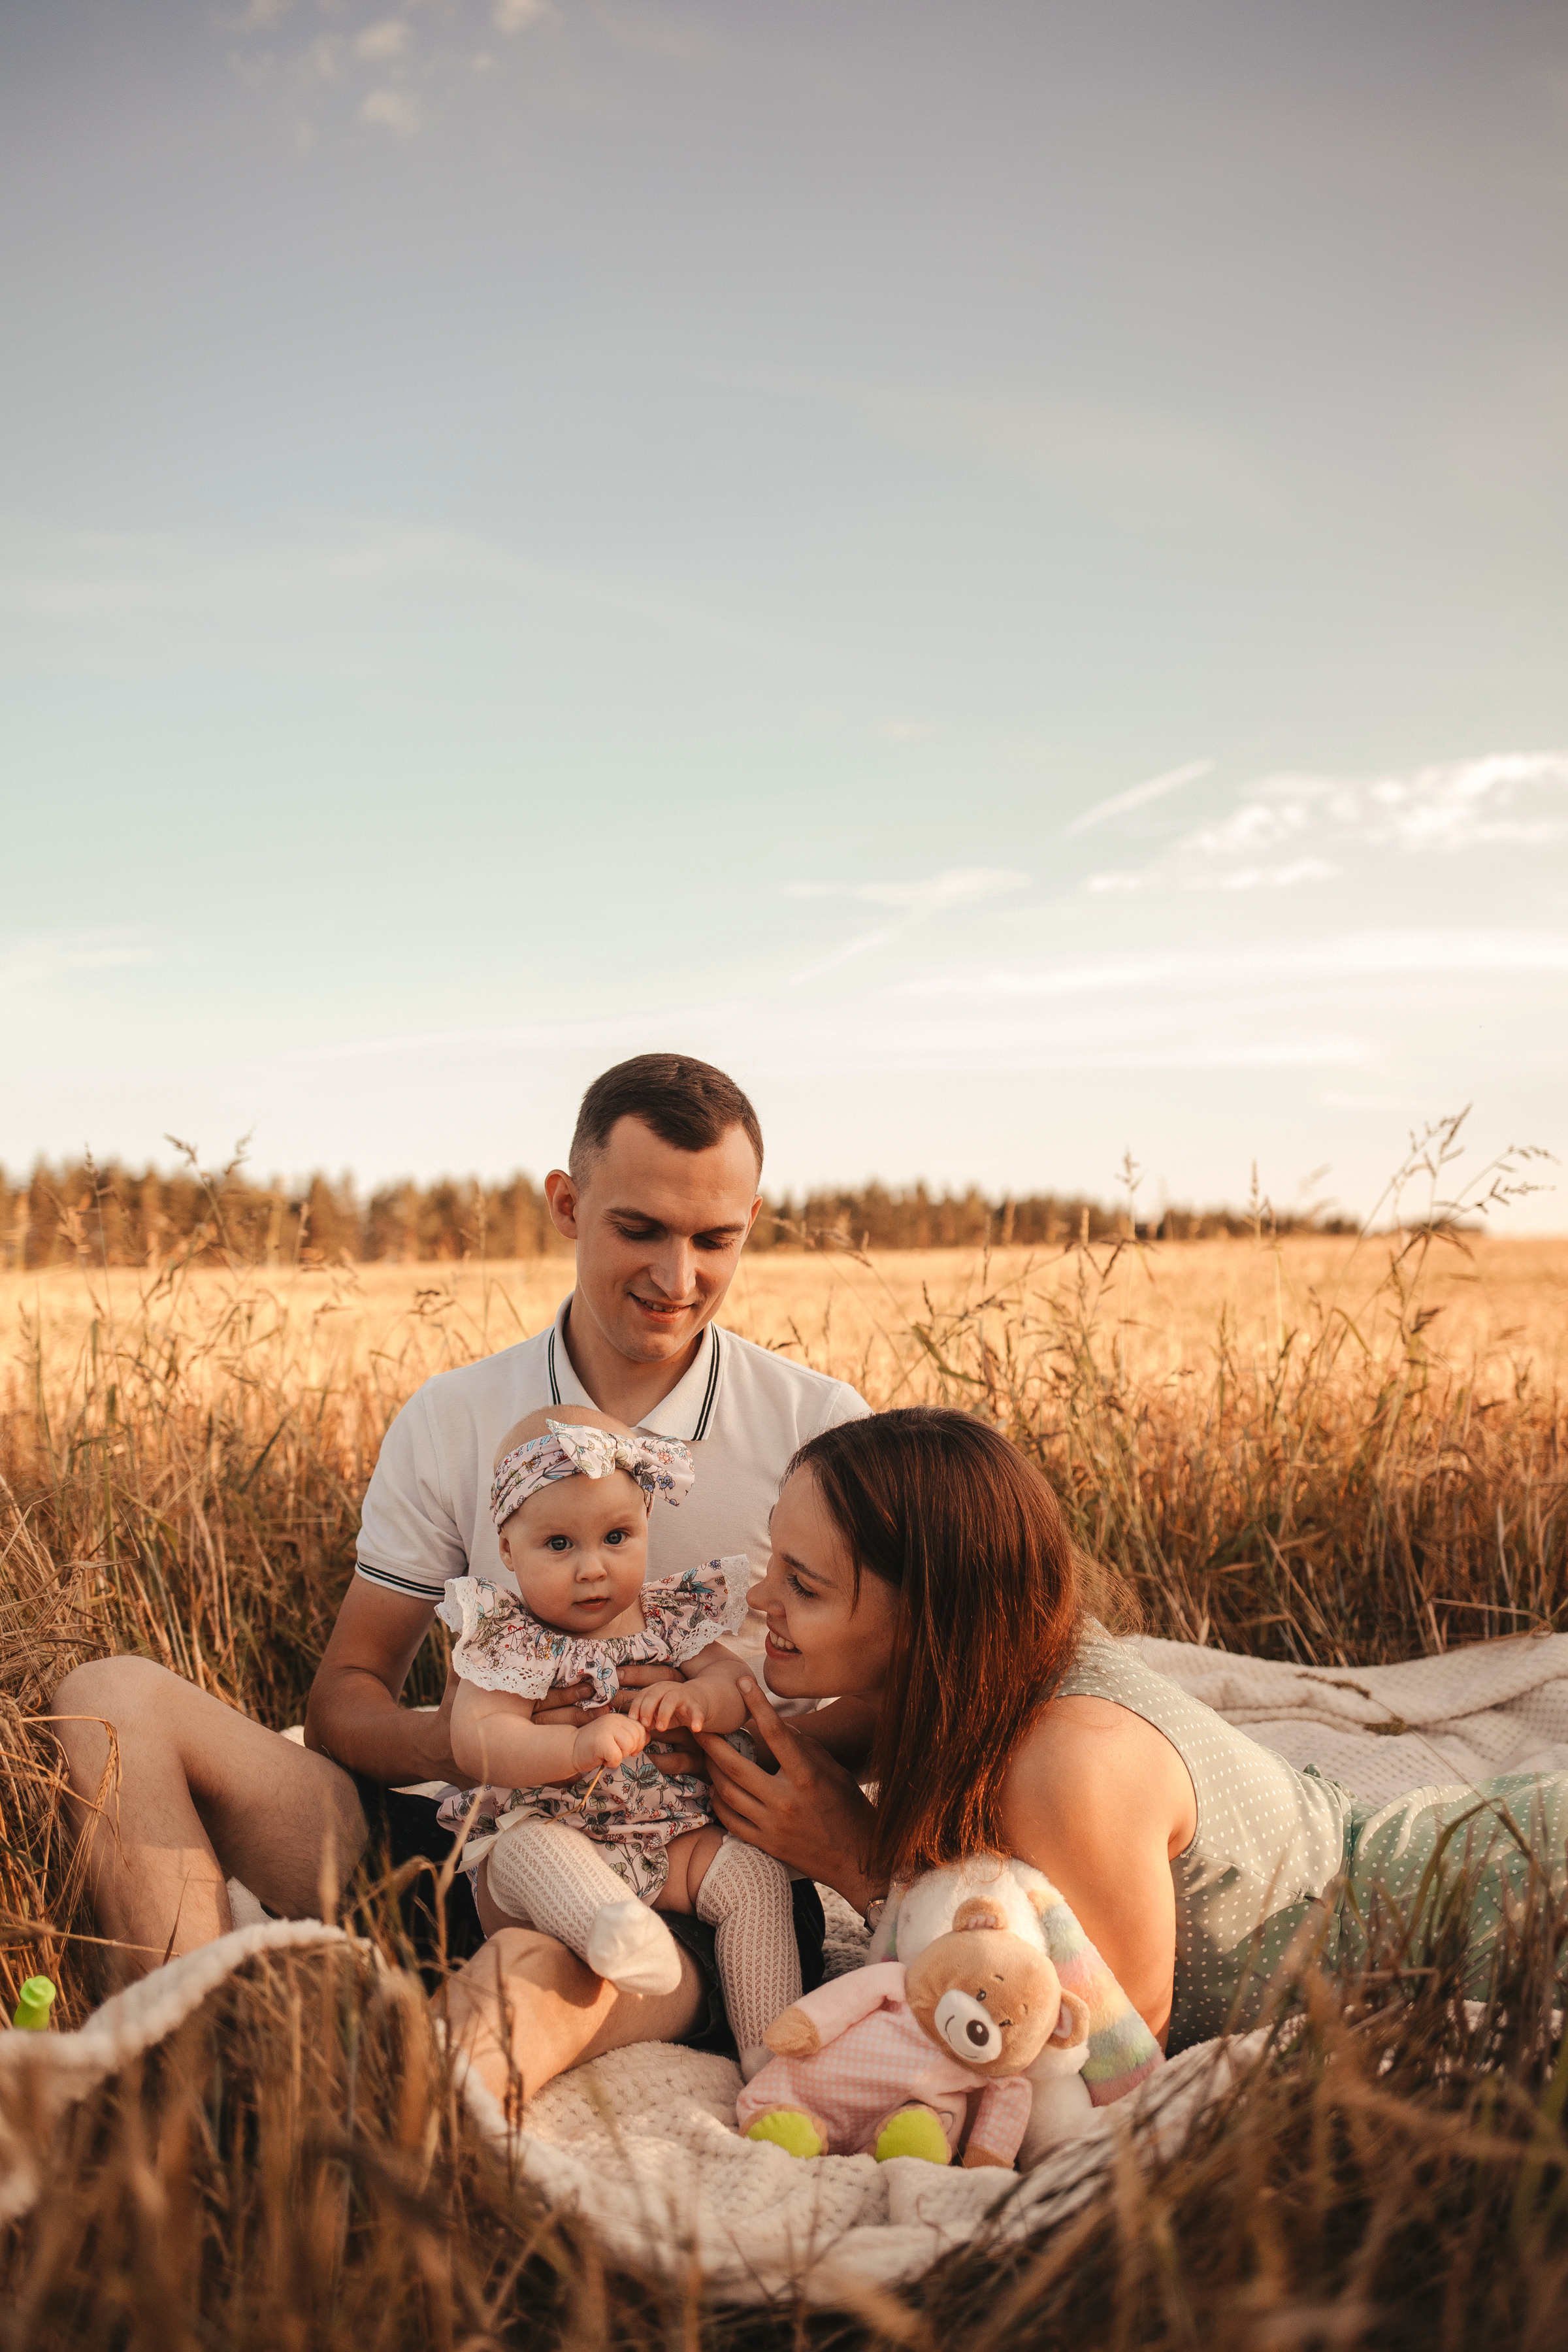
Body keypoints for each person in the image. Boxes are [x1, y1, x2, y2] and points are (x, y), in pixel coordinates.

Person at [51, 1053, 868, 2066]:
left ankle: (382, 2100)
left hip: (697, 1881)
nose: (678, 1277)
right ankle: (192, 2070)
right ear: (568, 1206)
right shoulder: (453, 1419)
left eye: (716, 1239)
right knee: (108, 1700)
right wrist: (490, 1739)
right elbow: (345, 1701)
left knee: (523, 1981)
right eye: (640, 1229)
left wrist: (757, 1752)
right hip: (481, 1837)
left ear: (753, 1218)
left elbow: (898, 1692)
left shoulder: (822, 1429)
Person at [448, 1404, 1568, 2106]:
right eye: (772, 1565)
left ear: (922, 1614)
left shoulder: (1063, 1764)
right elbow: (763, 1744)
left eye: (806, 1586)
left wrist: (857, 1863)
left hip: (1490, 1902)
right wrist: (656, 1713)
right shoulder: (960, 1675)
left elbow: (1117, 2056)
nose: (760, 1604)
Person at [440, 1405, 800, 2075]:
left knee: (754, 1877)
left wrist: (698, 1701)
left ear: (645, 1527)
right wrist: (570, 1752)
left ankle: (776, 2057)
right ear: (509, 1551)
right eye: (559, 1546)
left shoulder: (670, 1621)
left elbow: (735, 1690)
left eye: (615, 1537)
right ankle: (616, 1934)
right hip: (554, 1837)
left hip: (673, 1839)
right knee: (523, 1850)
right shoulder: (513, 1640)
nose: (592, 1569)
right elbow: (477, 1740)